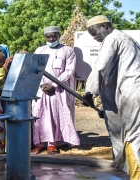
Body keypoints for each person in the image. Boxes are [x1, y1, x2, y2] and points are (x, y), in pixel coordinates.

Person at [83, 15, 140, 178]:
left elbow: (100, 67)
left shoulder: (112, 39)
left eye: (94, 33)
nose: (94, 37)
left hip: (132, 92)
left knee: (133, 135)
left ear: (105, 26)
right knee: (129, 133)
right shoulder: (127, 39)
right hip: (129, 92)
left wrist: (89, 92)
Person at [31, 26, 80, 155]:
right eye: (48, 36)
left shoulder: (68, 51)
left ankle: (52, 144)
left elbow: (69, 71)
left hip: (58, 90)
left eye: (54, 36)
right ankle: (39, 143)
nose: (51, 38)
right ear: (45, 37)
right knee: (38, 115)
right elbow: (35, 69)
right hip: (41, 89)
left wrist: (53, 84)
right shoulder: (40, 50)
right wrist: (42, 85)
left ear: (59, 36)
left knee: (54, 115)